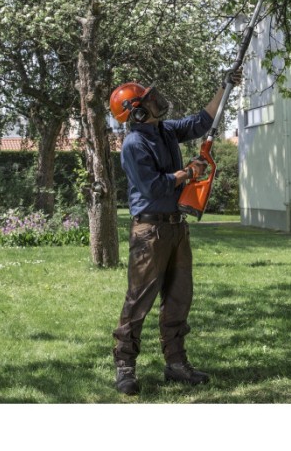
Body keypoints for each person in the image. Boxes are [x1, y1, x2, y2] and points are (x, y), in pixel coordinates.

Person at [108, 75, 237, 395]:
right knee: (139, 300)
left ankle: (176, 364)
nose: (156, 102)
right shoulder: (134, 144)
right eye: (148, 101)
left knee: (179, 297)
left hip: (177, 227)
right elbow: (153, 187)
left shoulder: (165, 130)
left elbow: (201, 122)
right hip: (149, 231)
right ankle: (125, 366)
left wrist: (225, 86)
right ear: (137, 113)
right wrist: (188, 173)